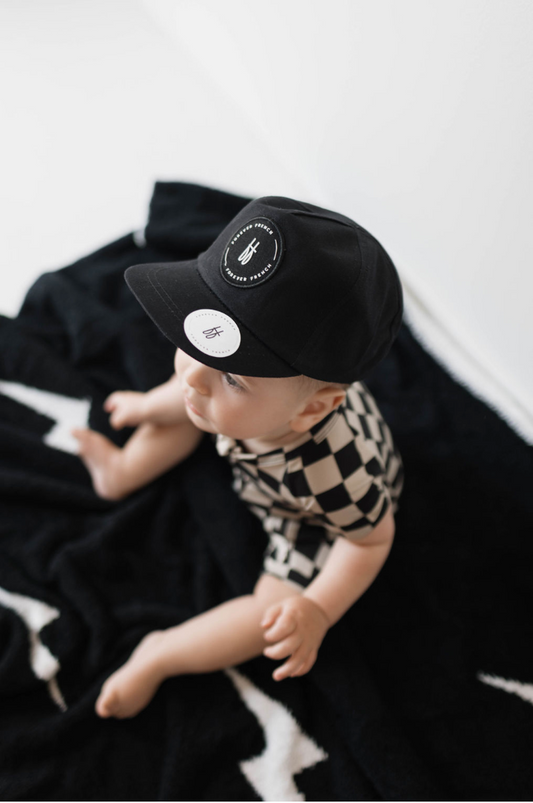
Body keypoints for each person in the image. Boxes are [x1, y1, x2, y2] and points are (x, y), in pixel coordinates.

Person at [72, 195, 404, 719]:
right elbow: (194, 382)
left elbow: (370, 540)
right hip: (251, 438)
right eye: (197, 336)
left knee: (270, 612)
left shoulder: (335, 473)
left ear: (312, 409)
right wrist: (146, 406)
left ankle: (160, 655)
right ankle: (121, 471)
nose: (194, 373)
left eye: (232, 373)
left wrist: (317, 610)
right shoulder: (228, 394)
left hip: (303, 521)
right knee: (187, 409)